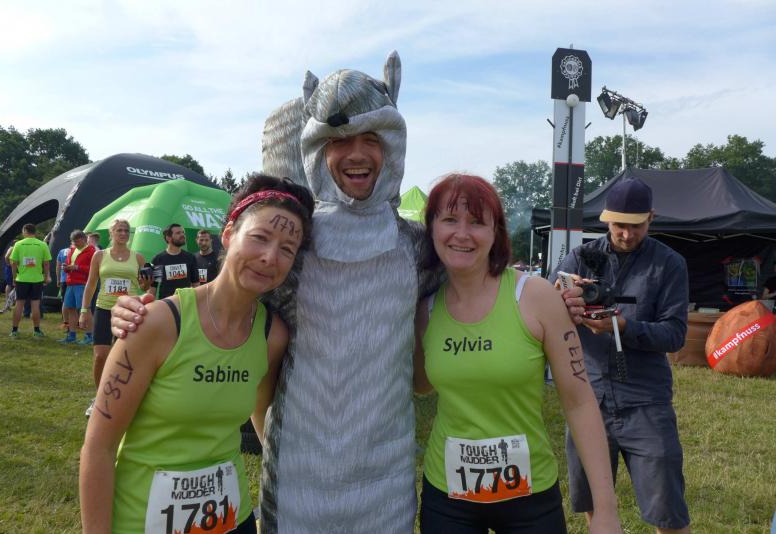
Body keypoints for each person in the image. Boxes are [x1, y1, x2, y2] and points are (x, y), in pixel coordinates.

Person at [112, 54, 586, 532]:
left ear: (392, 145)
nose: (356, 154)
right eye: (339, 141)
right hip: (299, 479)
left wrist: (558, 300)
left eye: (370, 139)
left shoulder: (416, 248)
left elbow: (477, 284)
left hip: (385, 480)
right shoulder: (296, 245)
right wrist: (147, 311)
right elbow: (235, 302)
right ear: (318, 149)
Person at [80, 175, 314, 534]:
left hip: (232, 520)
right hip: (143, 523)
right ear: (228, 234)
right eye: (260, 237)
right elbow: (99, 447)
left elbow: (262, 419)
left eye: (287, 248)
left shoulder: (272, 334)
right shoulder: (155, 324)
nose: (270, 257)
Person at [413, 174, 621, 533]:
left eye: (477, 222)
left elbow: (579, 402)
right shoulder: (425, 310)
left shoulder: (536, 296)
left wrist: (605, 508)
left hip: (529, 495)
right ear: (431, 228)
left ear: (496, 233)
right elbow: (421, 385)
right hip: (448, 495)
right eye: (449, 219)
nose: (462, 234)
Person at [551, 177, 691, 534]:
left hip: (646, 399)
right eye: (619, 225)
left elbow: (675, 334)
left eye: (636, 226)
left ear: (651, 218)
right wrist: (561, 296)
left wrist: (624, 326)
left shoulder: (668, 264)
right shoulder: (580, 258)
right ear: (606, 218)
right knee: (591, 499)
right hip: (589, 396)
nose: (627, 234)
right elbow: (546, 311)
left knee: (667, 508)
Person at [80, 219, 149, 417]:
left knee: (124, 357)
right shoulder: (99, 255)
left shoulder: (138, 258)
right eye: (119, 230)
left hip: (127, 311)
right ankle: (99, 397)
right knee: (100, 355)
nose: (123, 233)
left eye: (126, 231)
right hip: (104, 309)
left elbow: (144, 286)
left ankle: (123, 398)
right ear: (111, 233)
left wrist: (146, 284)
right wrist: (84, 310)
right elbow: (91, 284)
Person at [9, 223, 51, 337]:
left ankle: (14, 330)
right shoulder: (42, 244)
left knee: (19, 304)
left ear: (25, 231)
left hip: (22, 279)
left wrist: (14, 277)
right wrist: (46, 277)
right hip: (37, 279)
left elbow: (13, 263)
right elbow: (46, 263)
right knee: (35, 305)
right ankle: (36, 330)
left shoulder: (18, 244)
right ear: (35, 232)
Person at [59, 230, 96, 344]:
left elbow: (94, 269)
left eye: (77, 241)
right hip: (71, 283)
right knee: (70, 308)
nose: (75, 243)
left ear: (84, 239)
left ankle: (89, 336)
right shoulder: (72, 250)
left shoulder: (91, 251)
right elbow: (70, 264)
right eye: (73, 241)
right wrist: (66, 267)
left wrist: (77, 267)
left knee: (85, 309)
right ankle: (72, 335)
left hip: (83, 284)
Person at [149, 223, 199, 299]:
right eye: (178, 233)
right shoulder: (158, 259)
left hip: (185, 302)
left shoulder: (190, 257)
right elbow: (153, 287)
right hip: (166, 303)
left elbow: (196, 284)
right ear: (168, 238)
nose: (182, 235)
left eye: (183, 232)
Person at [56, 242, 71, 331]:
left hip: (64, 280)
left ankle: (66, 322)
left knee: (65, 301)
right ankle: (76, 322)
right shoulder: (80, 251)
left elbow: (58, 266)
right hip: (75, 280)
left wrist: (58, 279)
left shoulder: (62, 251)